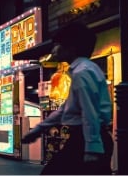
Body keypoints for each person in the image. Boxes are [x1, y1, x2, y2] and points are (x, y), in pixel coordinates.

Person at [21, 21, 113, 175]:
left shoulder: (81, 73)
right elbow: (65, 109)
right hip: (87, 139)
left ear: (71, 48)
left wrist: (91, 148)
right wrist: (38, 130)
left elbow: (89, 112)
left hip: (86, 140)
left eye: (58, 45)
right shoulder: (85, 69)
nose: (54, 49)